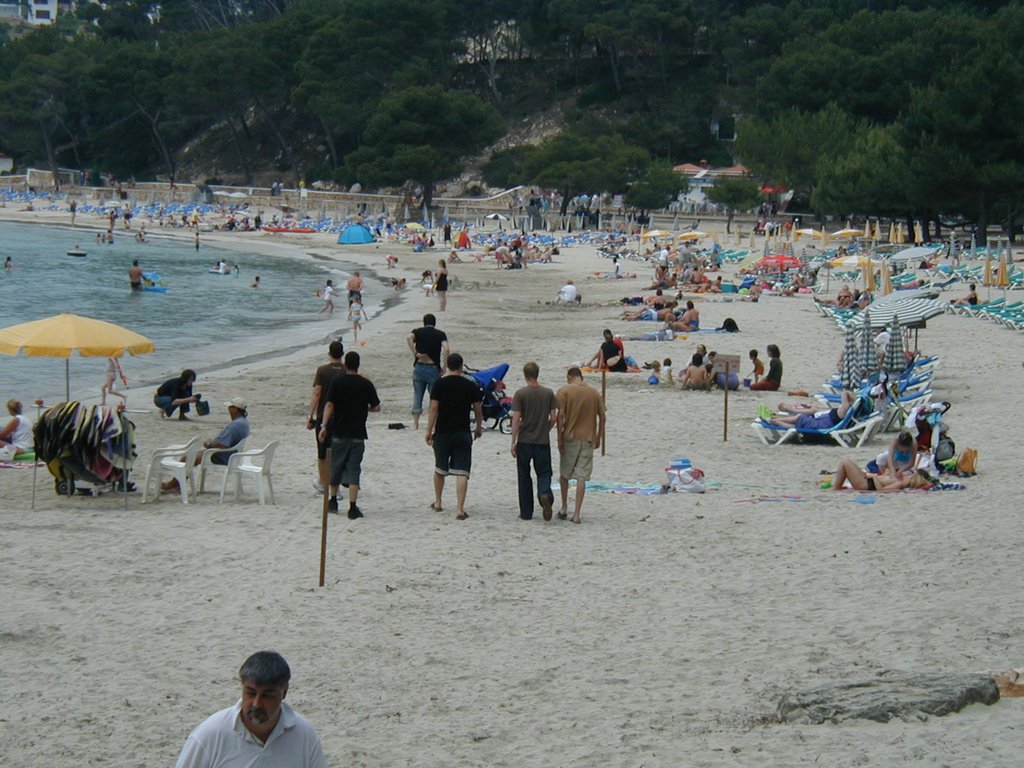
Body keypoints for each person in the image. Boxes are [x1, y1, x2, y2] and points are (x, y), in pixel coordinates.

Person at [173, 651, 327, 768]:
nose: (256, 703)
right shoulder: (209, 735)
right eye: (251, 693)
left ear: (284, 692)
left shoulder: (304, 735)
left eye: (267, 695)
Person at [318, 351, 380, 519]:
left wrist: (323, 425)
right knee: (354, 469)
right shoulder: (365, 384)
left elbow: (330, 404)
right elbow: (376, 407)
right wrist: (363, 408)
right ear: (358, 364)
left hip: (339, 430)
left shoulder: (338, 382)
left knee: (335, 465)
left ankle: (333, 500)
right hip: (358, 432)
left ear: (346, 364)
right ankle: (352, 506)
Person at [425, 353, 483, 520]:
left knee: (440, 469)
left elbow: (434, 408)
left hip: (443, 432)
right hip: (462, 431)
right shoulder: (469, 385)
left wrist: (429, 430)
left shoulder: (439, 384)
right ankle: (459, 509)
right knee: (462, 471)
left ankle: (437, 502)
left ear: (448, 366)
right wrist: (478, 427)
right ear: (461, 366)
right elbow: (478, 409)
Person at [161, 398, 250, 493]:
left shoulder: (235, 425)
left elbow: (222, 444)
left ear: (235, 409)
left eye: (230, 407)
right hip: (229, 454)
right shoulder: (243, 422)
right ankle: (175, 485)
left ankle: (174, 485)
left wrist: (208, 444)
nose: (228, 410)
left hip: (222, 455)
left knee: (188, 458)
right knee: (188, 457)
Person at [556, 367, 605, 524]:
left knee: (565, 473)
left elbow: (560, 417)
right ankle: (577, 513)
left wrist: (559, 438)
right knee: (581, 476)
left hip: (570, 437)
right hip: (588, 437)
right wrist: (599, 437)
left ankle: (564, 506)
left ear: (570, 377)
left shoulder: (564, 391)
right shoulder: (594, 392)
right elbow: (603, 418)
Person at [511, 362, 558, 521]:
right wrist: (546, 429)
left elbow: (516, 418)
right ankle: (544, 494)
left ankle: (526, 512)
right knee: (544, 472)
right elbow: (554, 417)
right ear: (537, 374)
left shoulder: (520, 394)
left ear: (525, 375)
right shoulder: (548, 393)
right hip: (542, 441)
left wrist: (513, 441)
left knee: (524, 475)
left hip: (525, 441)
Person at [307, 340, 346, 494]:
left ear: (329, 353)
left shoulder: (322, 371)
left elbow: (317, 393)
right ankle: (335, 485)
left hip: (324, 416)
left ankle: (324, 483)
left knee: (322, 452)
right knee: (337, 452)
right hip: (342, 416)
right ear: (342, 354)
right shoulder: (346, 370)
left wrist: (310, 415)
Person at [407, 313, 449, 430]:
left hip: (419, 366)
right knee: (435, 397)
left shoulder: (418, 332)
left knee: (417, 395)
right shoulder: (440, 334)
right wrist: (445, 366)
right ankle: (434, 423)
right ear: (434, 323)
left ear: (424, 322)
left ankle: (415, 423)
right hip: (432, 367)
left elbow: (408, 337)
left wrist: (415, 353)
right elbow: (447, 349)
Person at [768, 389, 856, 429]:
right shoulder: (842, 412)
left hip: (820, 424)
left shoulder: (843, 412)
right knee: (799, 420)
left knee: (799, 419)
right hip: (819, 421)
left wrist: (846, 393)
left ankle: (775, 420)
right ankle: (776, 418)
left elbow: (844, 395)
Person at [832, 459, 934, 492]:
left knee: (845, 463)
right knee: (847, 463)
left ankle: (836, 488)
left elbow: (881, 490)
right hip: (867, 481)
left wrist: (873, 477)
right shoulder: (900, 481)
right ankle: (837, 487)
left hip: (866, 484)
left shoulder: (900, 484)